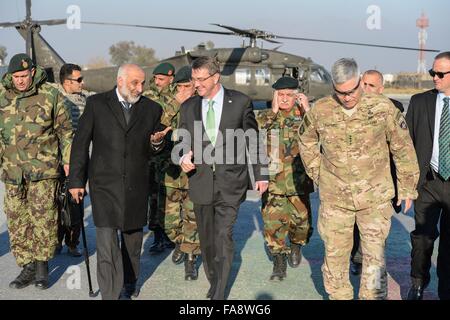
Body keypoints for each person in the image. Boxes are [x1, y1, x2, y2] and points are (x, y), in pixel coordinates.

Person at [298, 58, 419, 300]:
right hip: (335, 200)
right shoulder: (321, 110)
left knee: (374, 259)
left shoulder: (383, 108)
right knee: (335, 256)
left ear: (360, 81)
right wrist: (317, 173)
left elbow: (403, 148)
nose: (347, 97)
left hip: (374, 198)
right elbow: (306, 140)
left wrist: (407, 188)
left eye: (352, 91)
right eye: (340, 92)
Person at [68, 64, 167, 300]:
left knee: (132, 242)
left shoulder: (153, 109)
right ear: (120, 80)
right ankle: (111, 294)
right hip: (104, 185)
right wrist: (76, 181)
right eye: (135, 82)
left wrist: (156, 142)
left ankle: (130, 282)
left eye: (143, 83)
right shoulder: (96, 105)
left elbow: (156, 148)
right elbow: (80, 144)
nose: (140, 88)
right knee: (106, 244)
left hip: (136, 185)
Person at [177, 56, 268, 300]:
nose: (196, 84)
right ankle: (214, 278)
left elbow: (253, 139)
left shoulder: (240, 102)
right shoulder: (187, 107)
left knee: (222, 235)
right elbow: (182, 141)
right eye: (193, 79)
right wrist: (182, 156)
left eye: (200, 79)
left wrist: (261, 173)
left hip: (231, 182)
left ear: (215, 77)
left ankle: (219, 293)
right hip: (200, 181)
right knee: (207, 239)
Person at [0, 53, 73, 290]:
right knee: (16, 219)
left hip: (43, 169)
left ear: (32, 72)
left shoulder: (50, 94)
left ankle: (42, 266)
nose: (20, 80)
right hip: (12, 171)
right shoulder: (2, 97)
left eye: (24, 75)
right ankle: (27, 266)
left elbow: (65, 131)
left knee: (43, 218)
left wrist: (69, 160)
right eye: (16, 76)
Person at [256, 76, 313, 281]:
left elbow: (320, 133)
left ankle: (296, 245)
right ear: (275, 96)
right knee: (273, 224)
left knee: (301, 222)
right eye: (281, 95)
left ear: (297, 96)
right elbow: (257, 129)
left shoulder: (305, 115)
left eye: (290, 95)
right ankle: (279, 260)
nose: (285, 99)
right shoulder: (267, 116)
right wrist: (273, 109)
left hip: (299, 181)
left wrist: (306, 109)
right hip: (274, 181)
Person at [350, 69, 405, 276]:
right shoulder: (348, 108)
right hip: (354, 181)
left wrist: (403, 185)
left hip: (381, 183)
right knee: (354, 224)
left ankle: (372, 270)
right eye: (363, 83)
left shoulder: (394, 109)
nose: (365, 88)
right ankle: (357, 254)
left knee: (377, 232)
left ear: (381, 89)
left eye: (371, 85)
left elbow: (402, 149)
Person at [405, 51, 450, 300]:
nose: (434, 77)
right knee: (422, 239)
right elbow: (406, 146)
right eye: (433, 72)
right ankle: (418, 284)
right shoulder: (420, 102)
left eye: (440, 73)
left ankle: (446, 290)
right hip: (429, 182)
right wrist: (406, 186)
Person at [157, 66, 201, 280]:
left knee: (193, 218)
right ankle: (179, 242)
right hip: (171, 173)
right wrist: (177, 102)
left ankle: (190, 259)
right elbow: (158, 126)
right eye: (180, 86)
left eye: (188, 86)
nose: (184, 90)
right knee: (169, 220)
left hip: (195, 172)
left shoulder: (203, 104)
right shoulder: (168, 102)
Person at [53, 63, 93, 257]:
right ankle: (56, 240)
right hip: (56, 160)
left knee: (75, 202)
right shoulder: (53, 98)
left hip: (78, 160)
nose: (82, 82)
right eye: (78, 80)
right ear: (66, 81)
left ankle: (72, 241)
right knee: (55, 202)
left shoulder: (85, 99)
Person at [143, 62, 176, 254]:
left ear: (171, 78)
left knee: (172, 197)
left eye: (162, 79)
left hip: (173, 154)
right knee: (154, 197)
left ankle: (172, 234)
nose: (158, 82)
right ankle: (157, 236)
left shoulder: (178, 94)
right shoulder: (148, 96)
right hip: (153, 156)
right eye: (156, 78)